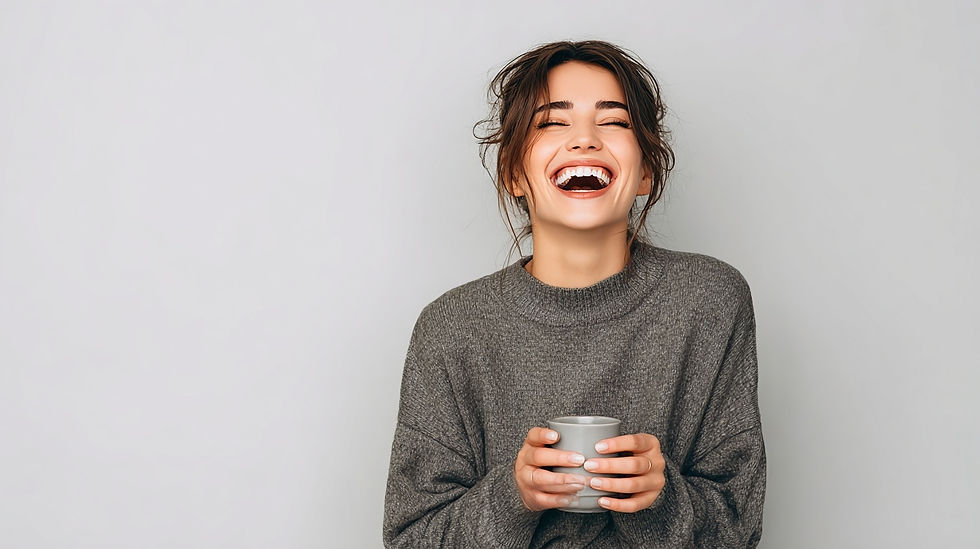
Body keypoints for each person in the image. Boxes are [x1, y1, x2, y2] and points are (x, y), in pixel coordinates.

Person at [383, 40, 766, 548]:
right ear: (514, 172)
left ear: (646, 171)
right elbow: (410, 538)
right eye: (552, 123)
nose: (584, 139)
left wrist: (661, 499)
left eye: (613, 121)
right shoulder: (452, 327)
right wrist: (512, 495)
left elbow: (739, 529)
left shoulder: (710, 300)